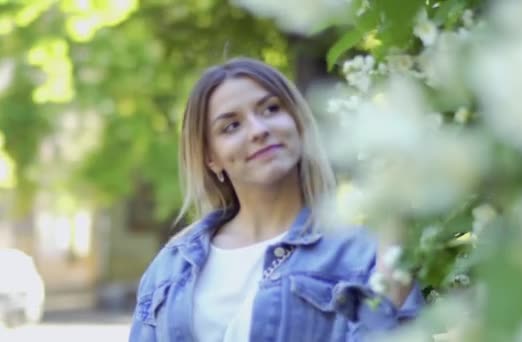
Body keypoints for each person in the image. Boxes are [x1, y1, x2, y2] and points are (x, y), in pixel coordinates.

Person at [129, 58, 424, 342]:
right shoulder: (172, 266)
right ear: (211, 158)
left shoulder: (362, 253)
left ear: (297, 122)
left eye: (270, 109)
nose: (259, 130)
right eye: (231, 126)